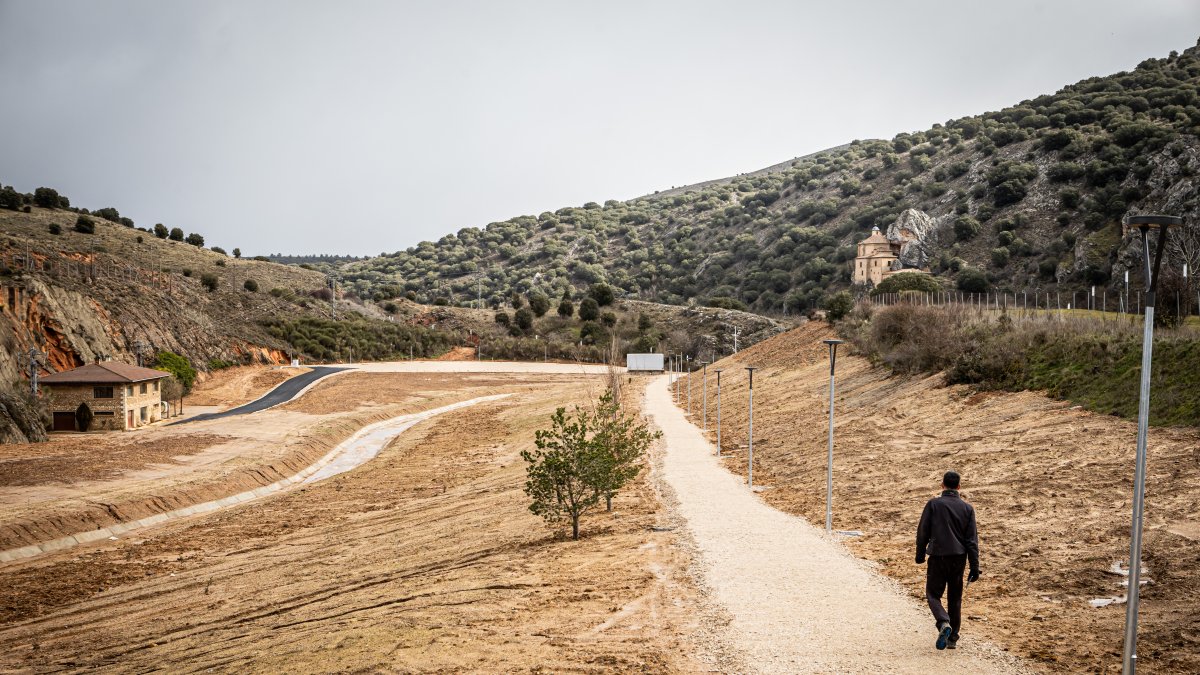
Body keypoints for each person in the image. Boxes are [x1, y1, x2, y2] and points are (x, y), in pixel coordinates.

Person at [915, 470, 980, 651]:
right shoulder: (967, 509)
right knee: (955, 598)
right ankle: (952, 638)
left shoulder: (933, 504)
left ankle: (943, 622)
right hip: (959, 558)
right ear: (959, 487)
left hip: (938, 556)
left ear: (942, 485)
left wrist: (920, 555)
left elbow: (923, 532)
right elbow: (971, 540)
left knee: (933, 595)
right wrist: (975, 566)